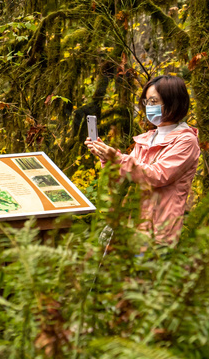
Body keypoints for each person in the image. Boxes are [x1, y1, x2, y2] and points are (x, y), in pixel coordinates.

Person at [85, 75, 200, 243]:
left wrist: (116, 158)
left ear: (173, 102)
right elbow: (123, 180)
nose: (148, 107)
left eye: (154, 101)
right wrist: (106, 157)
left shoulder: (186, 141)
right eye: (147, 102)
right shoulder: (146, 139)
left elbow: (157, 175)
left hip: (159, 233)